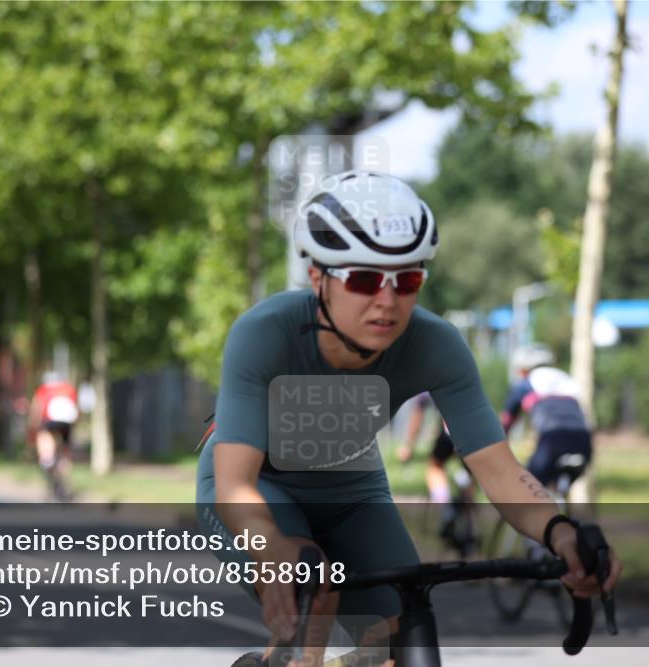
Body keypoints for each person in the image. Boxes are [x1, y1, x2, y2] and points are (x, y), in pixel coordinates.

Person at [195, 171, 620, 666]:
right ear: (318, 279)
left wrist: (561, 533)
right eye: (363, 279)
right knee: (314, 596)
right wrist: (271, 553)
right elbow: (235, 487)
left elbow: (500, 471)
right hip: (258, 487)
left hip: (353, 490)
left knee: (403, 632)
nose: (388, 300)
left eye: (408, 279)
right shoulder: (265, 333)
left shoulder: (436, 344)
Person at [500, 346, 593, 490]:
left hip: (552, 439)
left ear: (524, 369)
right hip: (584, 440)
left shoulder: (525, 384)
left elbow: (507, 421)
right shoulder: (565, 378)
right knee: (557, 488)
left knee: (525, 489)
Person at [395, 393, 476, 551]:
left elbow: (417, 417)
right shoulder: (464, 374)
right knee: (469, 476)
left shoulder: (428, 383)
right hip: (474, 433)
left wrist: (408, 447)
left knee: (435, 467)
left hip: (450, 433)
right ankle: (470, 530)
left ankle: (446, 508)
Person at [29, 372, 79, 501]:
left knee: (46, 452)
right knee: (64, 454)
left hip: (49, 422)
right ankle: (63, 482)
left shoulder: (44, 389)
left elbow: (37, 408)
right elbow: (77, 410)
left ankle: (51, 477)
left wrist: (34, 426)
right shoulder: (69, 389)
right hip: (67, 424)